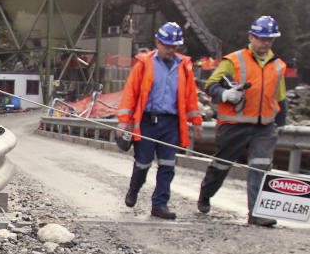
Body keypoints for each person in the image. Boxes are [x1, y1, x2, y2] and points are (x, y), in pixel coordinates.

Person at [197, 15, 287, 227]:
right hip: (234, 125)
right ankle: (205, 194)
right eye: (262, 39)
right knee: (221, 165)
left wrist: (281, 122)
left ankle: (256, 213)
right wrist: (226, 95)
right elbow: (210, 85)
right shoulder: (233, 60)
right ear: (251, 37)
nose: (265, 43)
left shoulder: (279, 66)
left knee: (260, 167)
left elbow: (280, 96)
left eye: (270, 40)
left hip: (264, 127)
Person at [117, 22, 203, 220]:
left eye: (174, 47)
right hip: (147, 121)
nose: (171, 50)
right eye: (167, 46)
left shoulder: (184, 67)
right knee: (143, 162)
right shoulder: (144, 64)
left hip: (171, 122)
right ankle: (134, 189)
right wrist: (124, 121)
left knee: (167, 164)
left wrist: (196, 121)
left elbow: (190, 96)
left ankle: (160, 205)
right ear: (158, 43)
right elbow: (131, 93)